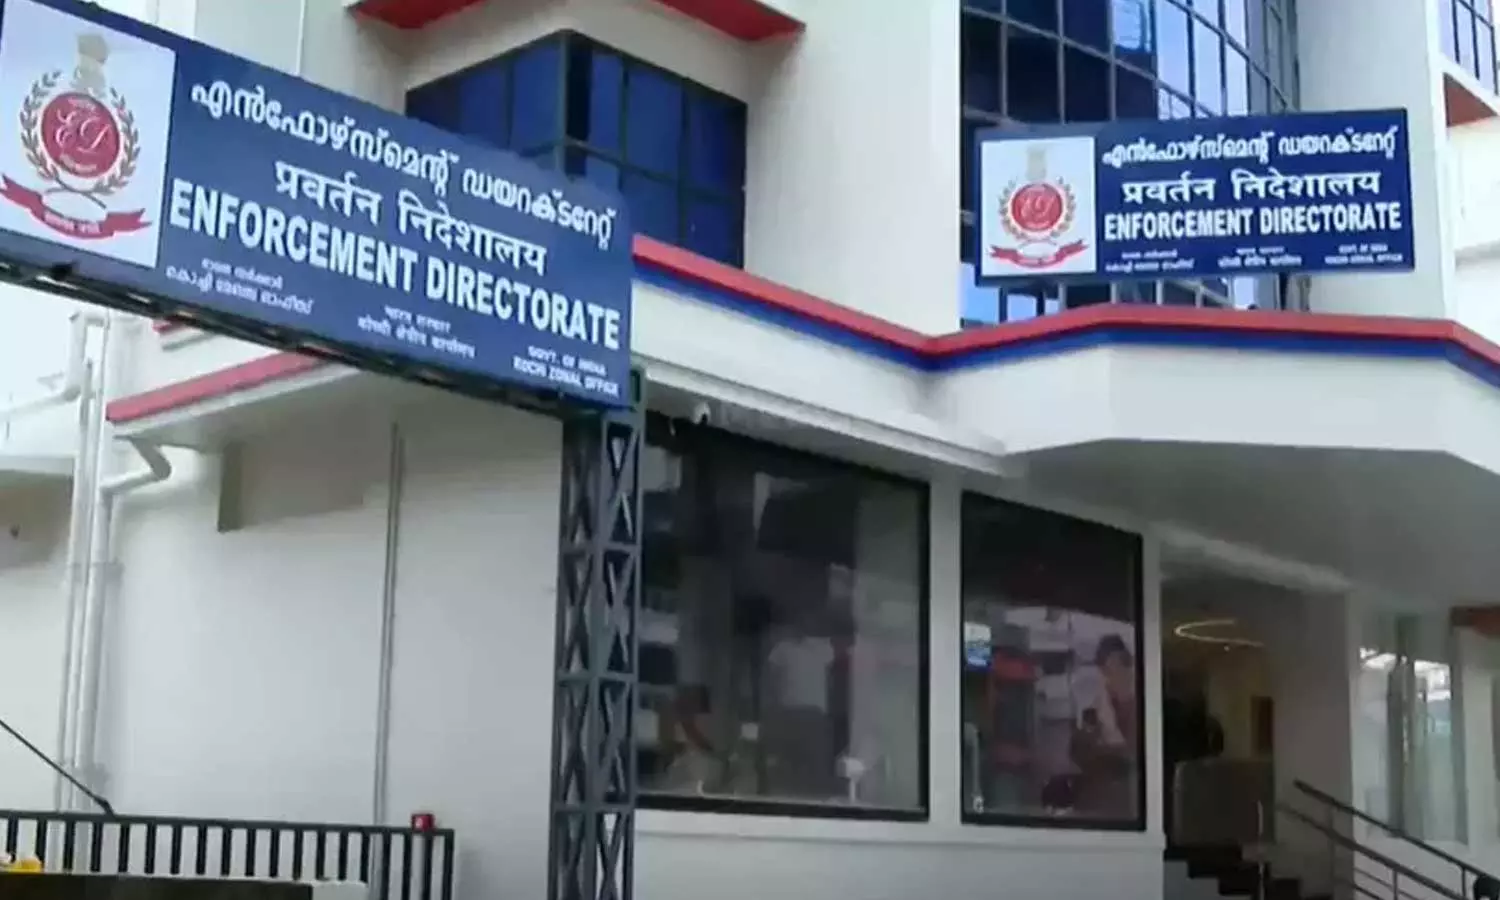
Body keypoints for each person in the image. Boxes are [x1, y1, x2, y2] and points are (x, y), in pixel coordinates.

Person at [1071, 635, 1138, 818]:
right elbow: (1084, 751)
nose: (1115, 674)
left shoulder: (1146, 701)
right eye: (1108, 669)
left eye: (1121, 666)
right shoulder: (1097, 704)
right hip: (1110, 787)